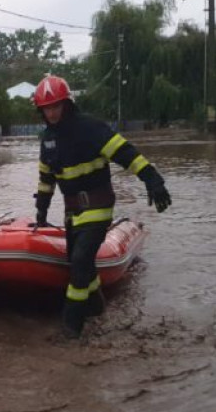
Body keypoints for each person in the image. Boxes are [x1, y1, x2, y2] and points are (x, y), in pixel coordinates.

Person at [33, 75, 171, 338]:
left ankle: (71, 327)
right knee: (79, 263)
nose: (51, 112)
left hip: (97, 206)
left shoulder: (91, 128)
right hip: (72, 212)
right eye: (46, 108)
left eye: (56, 106)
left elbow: (126, 153)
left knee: (82, 259)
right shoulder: (48, 139)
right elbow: (46, 179)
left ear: (67, 104)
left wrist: (152, 179)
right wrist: (41, 210)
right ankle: (96, 307)